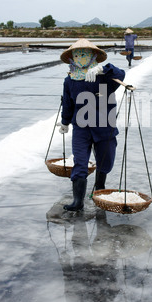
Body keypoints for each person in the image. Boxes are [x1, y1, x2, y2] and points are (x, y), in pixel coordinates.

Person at [58, 38, 125, 211]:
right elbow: (68, 103)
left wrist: (103, 68)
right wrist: (65, 122)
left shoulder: (105, 77)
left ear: (93, 55)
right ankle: (77, 201)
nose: (81, 57)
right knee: (80, 162)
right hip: (81, 127)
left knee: (105, 160)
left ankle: (99, 189)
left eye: (85, 54)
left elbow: (121, 74)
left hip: (105, 126)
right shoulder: (70, 80)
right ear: (72, 57)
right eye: (78, 54)